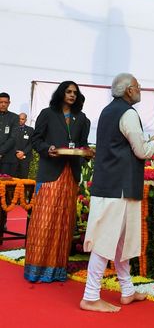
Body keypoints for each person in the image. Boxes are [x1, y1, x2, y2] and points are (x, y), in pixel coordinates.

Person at [80, 73, 154, 313]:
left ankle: (127, 290)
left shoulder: (108, 111)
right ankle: (90, 295)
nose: (140, 89)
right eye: (138, 86)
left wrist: (148, 142)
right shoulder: (128, 113)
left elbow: (123, 146)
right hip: (118, 188)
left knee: (120, 242)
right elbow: (141, 151)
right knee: (105, 241)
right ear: (129, 90)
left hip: (111, 185)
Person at [24, 81, 92, 283]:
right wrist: (48, 149)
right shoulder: (47, 114)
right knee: (43, 222)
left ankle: (57, 271)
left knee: (64, 223)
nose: (72, 95)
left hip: (70, 175)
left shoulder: (82, 119)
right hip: (50, 173)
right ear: (61, 93)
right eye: (68, 91)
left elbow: (83, 145)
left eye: (75, 92)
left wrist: (87, 153)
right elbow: (36, 140)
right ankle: (36, 271)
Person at [0, 92, 19, 175]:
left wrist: (0, 152)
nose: (3, 104)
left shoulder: (14, 117)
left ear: (9, 103)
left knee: (5, 185)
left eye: (5, 102)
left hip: (8, 158)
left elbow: (13, 138)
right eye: (1, 102)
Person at [13, 113, 34, 179]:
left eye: (22, 119)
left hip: (25, 158)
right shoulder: (12, 129)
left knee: (23, 178)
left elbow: (32, 143)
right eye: (19, 118)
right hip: (13, 157)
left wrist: (23, 152)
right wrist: (16, 152)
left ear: (25, 120)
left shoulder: (30, 130)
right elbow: (10, 142)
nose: (20, 120)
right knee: (13, 179)